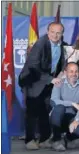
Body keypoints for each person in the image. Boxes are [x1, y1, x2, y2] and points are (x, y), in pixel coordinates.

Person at [18, 22, 67, 150]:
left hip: (47, 82)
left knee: (45, 110)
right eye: (53, 32)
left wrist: (61, 73)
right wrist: (51, 79)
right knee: (32, 112)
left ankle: (44, 139)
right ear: (48, 31)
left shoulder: (62, 45)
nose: (55, 35)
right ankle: (30, 140)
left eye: (58, 33)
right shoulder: (40, 44)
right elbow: (33, 65)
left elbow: (61, 62)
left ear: (62, 34)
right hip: (32, 81)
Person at [49, 63, 79, 151]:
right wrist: (72, 103)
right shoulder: (59, 82)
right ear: (65, 72)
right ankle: (56, 140)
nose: (74, 74)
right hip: (58, 116)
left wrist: (76, 120)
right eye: (71, 71)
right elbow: (54, 100)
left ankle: (67, 138)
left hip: (72, 116)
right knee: (59, 107)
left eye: (76, 71)